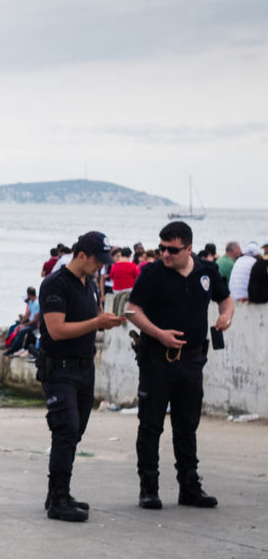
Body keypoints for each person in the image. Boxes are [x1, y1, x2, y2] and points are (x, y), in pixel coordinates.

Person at [127, 221, 235, 509]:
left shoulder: (206, 271)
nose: (165, 254)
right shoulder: (152, 273)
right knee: (150, 426)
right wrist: (158, 333)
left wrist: (226, 316)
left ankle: (189, 487)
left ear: (189, 248)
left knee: (187, 426)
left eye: (172, 250)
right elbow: (132, 310)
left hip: (191, 361)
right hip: (157, 360)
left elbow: (226, 300)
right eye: (162, 248)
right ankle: (149, 488)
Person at [36, 231, 126, 522]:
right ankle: (58, 499)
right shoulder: (55, 284)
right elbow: (56, 330)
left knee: (76, 431)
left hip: (84, 366)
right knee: (66, 428)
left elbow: (91, 318)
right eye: (97, 260)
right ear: (81, 255)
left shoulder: (90, 283)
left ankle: (58, 491)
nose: (101, 266)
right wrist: (97, 322)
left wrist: (106, 322)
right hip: (59, 367)